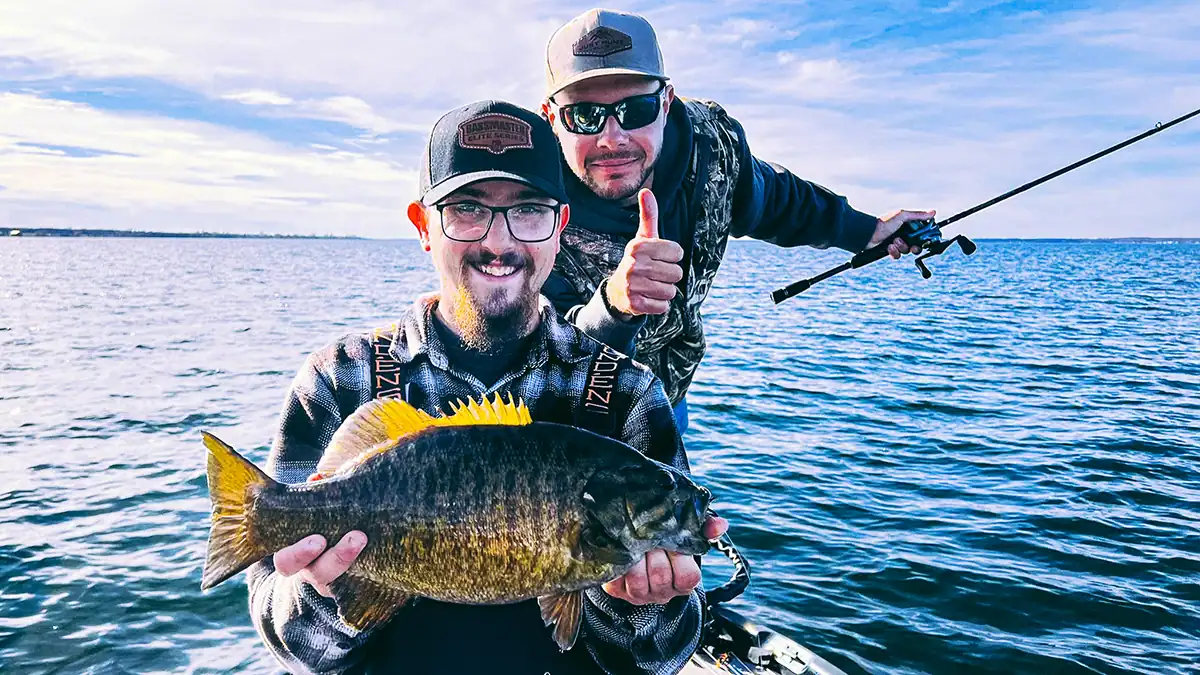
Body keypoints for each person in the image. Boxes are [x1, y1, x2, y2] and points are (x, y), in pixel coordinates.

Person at [244, 100, 727, 675]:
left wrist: (640, 604)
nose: (500, 242)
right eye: (467, 209)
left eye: (529, 211)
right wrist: (325, 593)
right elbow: (294, 649)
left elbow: (659, 658)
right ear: (423, 227)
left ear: (559, 228)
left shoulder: (627, 394)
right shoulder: (339, 379)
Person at [540, 8, 934, 432]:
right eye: (583, 115)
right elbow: (533, 358)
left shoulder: (712, 146)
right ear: (551, 117)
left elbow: (777, 199)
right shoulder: (522, 202)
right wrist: (614, 307)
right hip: (564, 423)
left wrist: (866, 231)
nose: (612, 138)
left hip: (666, 399)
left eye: (637, 109)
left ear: (666, 102)